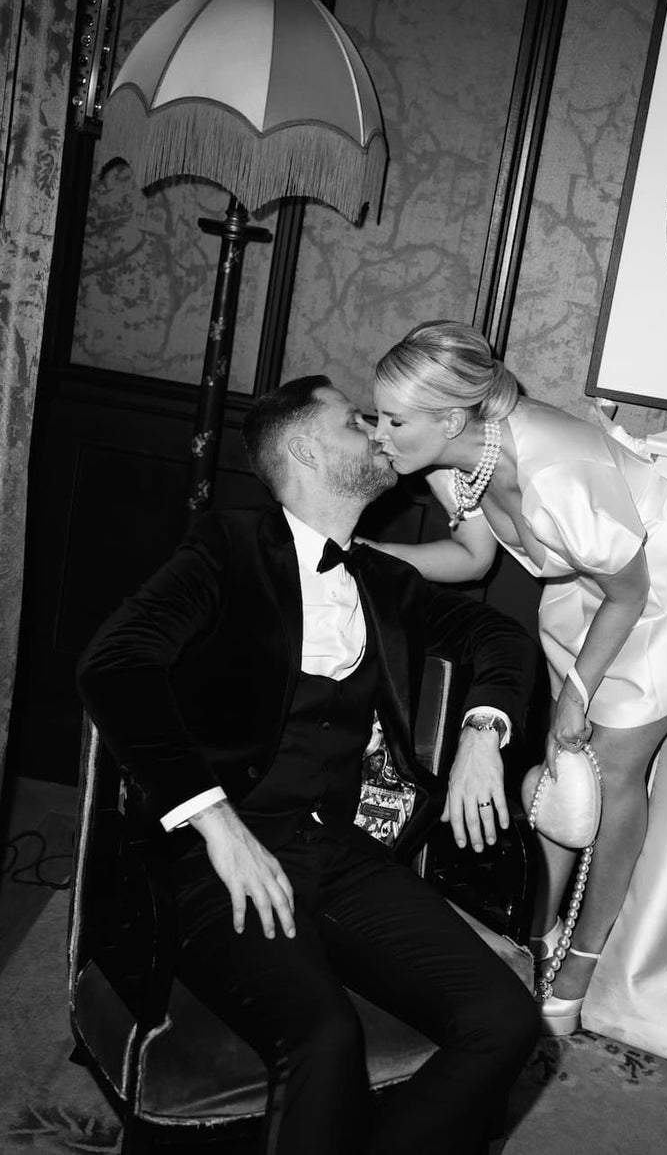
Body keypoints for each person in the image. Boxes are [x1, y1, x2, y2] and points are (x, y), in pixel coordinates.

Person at [76, 375, 540, 1155]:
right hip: (214, 859)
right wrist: (217, 824)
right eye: (358, 422)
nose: (381, 432)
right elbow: (114, 666)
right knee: (323, 1037)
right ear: (305, 449)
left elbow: (502, 640)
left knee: (504, 1020)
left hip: (338, 851)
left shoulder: (386, 581)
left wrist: (482, 734)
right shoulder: (225, 547)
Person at [369, 321, 667, 1093]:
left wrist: (578, 694)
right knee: (567, 773)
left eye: (394, 421)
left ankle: (576, 974)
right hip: (593, 582)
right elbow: (470, 559)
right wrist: (362, 555)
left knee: (607, 767)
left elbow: (634, 590)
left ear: (452, 418)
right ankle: (534, 933)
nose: (379, 435)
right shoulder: (450, 461)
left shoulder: (554, 470)